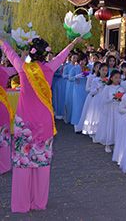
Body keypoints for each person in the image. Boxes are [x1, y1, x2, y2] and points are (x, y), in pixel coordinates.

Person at [0, 36, 81, 213]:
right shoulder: (51, 67)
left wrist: (1, 40)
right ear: (46, 54)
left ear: (30, 52)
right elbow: (62, 55)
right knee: (42, 162)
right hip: (43, 122)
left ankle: (21, 205)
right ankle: (39, 203)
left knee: (23, 162)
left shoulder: (22, 67)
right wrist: (74, 42)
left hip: (24, 123)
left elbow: (9, 51)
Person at [94, 70, 125, 152]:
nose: (118, 79)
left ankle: (116, 143)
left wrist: (120, 99)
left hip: (118, 109)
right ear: (111, 78)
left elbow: (124, 100)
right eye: (116, 78)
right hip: (110, 109)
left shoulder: (121, 88)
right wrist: (112, 98)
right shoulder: (107, 88)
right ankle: (108, 144)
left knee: (118, 126)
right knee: (110, 125)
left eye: (119, 78)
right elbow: (103, 100)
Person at [81, 63, 109, 136]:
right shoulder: (95, 80)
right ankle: (94, 131)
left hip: (105, 99)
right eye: (103, 70)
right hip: (98, 98)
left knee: (104, 115)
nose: (104, 72)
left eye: (106, 70)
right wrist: (98, 88)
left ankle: (103, 132)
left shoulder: (108, 80)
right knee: (97, 115)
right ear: (99, 70)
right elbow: (91, 92)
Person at [75, 62, 101, 133]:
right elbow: (87, 88)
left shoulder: (103, 78)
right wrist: (95, 89)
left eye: (100, 67)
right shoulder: (91, 76)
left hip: (100, 97)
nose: (99, 69)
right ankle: (83, 127)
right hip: (91, 97)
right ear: (94, 68)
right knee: (88, 113)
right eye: (97, 67)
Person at [0, 64, 17, 174]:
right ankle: (5, 165)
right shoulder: (5, 70)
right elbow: (17, 67)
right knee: (4, 140)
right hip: (2, 105)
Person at [69, 54, 89, 127]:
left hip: (85, 89)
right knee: (77, 106)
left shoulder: (87, 68)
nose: (82, 62)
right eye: (81, 60)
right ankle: (77, 125)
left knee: (84, 106)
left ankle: (84, 125)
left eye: (84, 60)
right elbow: (70, 78)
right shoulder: (74, 68)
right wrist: (75, 77)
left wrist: (89, 77)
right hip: (77, 89)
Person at [63, 53, 78, 123]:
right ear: (71, 58)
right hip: (69, 84)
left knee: (74, 101)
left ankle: (73, 117)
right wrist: (70, 76)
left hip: (76, 84)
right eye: (74, 57)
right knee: (68, 100)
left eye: (76, 58)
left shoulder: (78, 66)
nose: (75, 59)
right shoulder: (67, 66)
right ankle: (67, 117)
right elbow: (64, 75)